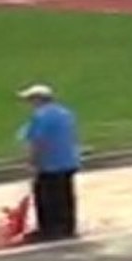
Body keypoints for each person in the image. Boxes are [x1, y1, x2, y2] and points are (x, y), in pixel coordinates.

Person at [18, 84, 80, 243]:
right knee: (65, 195)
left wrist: (33, 162)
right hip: (67, 161)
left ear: (38, 99)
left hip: (50, 164)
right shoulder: (66, 113)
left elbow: (38, 141)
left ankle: (49, 229)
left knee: (46, 197)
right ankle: (67, 227)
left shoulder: (41, 116)